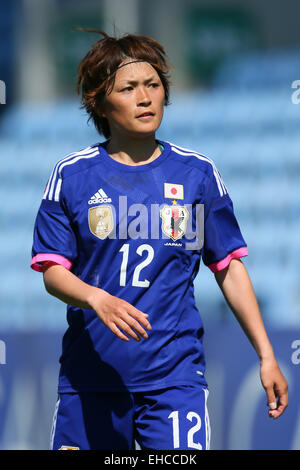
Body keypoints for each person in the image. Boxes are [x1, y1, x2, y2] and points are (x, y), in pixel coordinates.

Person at [30, 30, 288, 451]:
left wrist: (266, 354)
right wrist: (96, 298)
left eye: (153, 85)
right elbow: (52, 272)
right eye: (128, 88)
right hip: (90, 379)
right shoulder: (72, 176)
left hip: (175, 380)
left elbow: (228, 267)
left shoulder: (197, 174)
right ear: (99, 101)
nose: (145, 97)